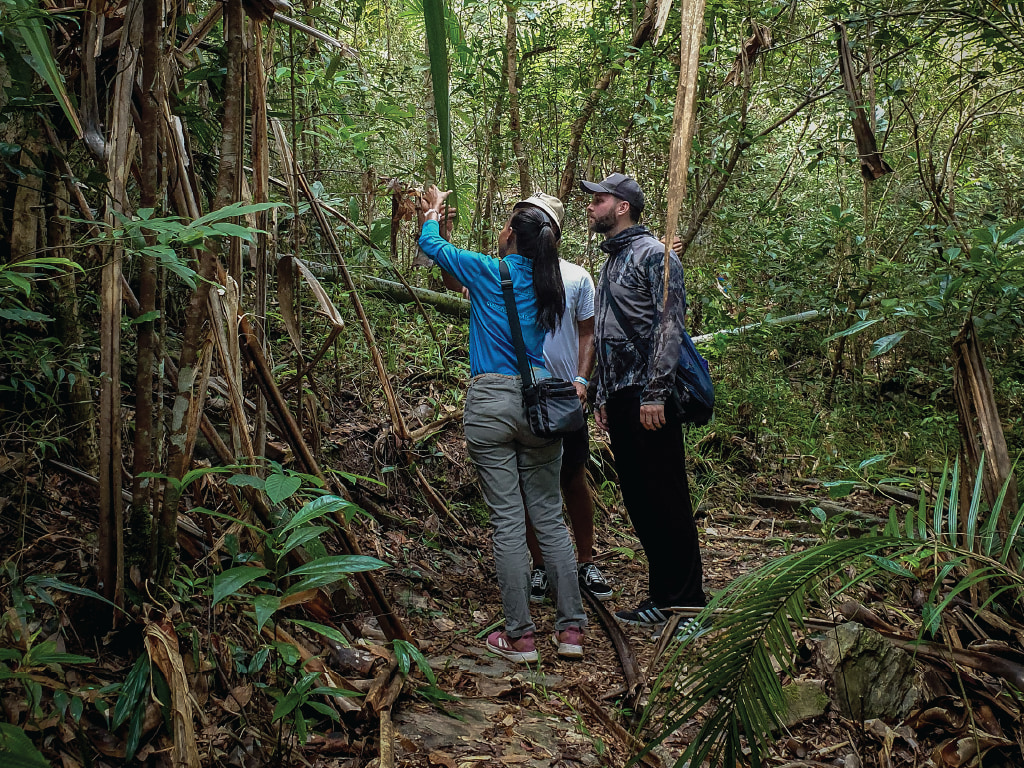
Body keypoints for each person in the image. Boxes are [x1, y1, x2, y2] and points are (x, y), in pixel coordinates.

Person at [418, 186, 587, 662]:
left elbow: (432, 248)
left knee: (509, 522)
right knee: (550, 517)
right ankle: (570, 631)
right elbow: (453, 273)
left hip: (491, 400)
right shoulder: (551, 282)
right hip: (540, 405)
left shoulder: (493, 272)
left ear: (510, 232)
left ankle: (520, 637)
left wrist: (432, 215)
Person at [434, 193, 613, 603]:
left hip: (559, 397)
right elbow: (454, 278)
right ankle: (544, 576)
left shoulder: (572, 277)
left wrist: (582, 383)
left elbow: (588, 333)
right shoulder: (507, 272)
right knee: (540, 496)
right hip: (531, 397)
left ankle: (583, 562)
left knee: (569, 481)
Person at [579, 172, 707, 627]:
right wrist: (601, 395)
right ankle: (662, 596)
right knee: (640, 498)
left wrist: (654, 392)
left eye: (600, 199)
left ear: (623, 207)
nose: (591, 206)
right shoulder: (613, 261)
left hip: (652, 397)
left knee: (667, 495)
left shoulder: (655, 256)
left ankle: (689, 602)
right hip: (622, 396)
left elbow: (669, 326)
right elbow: (608, 335)